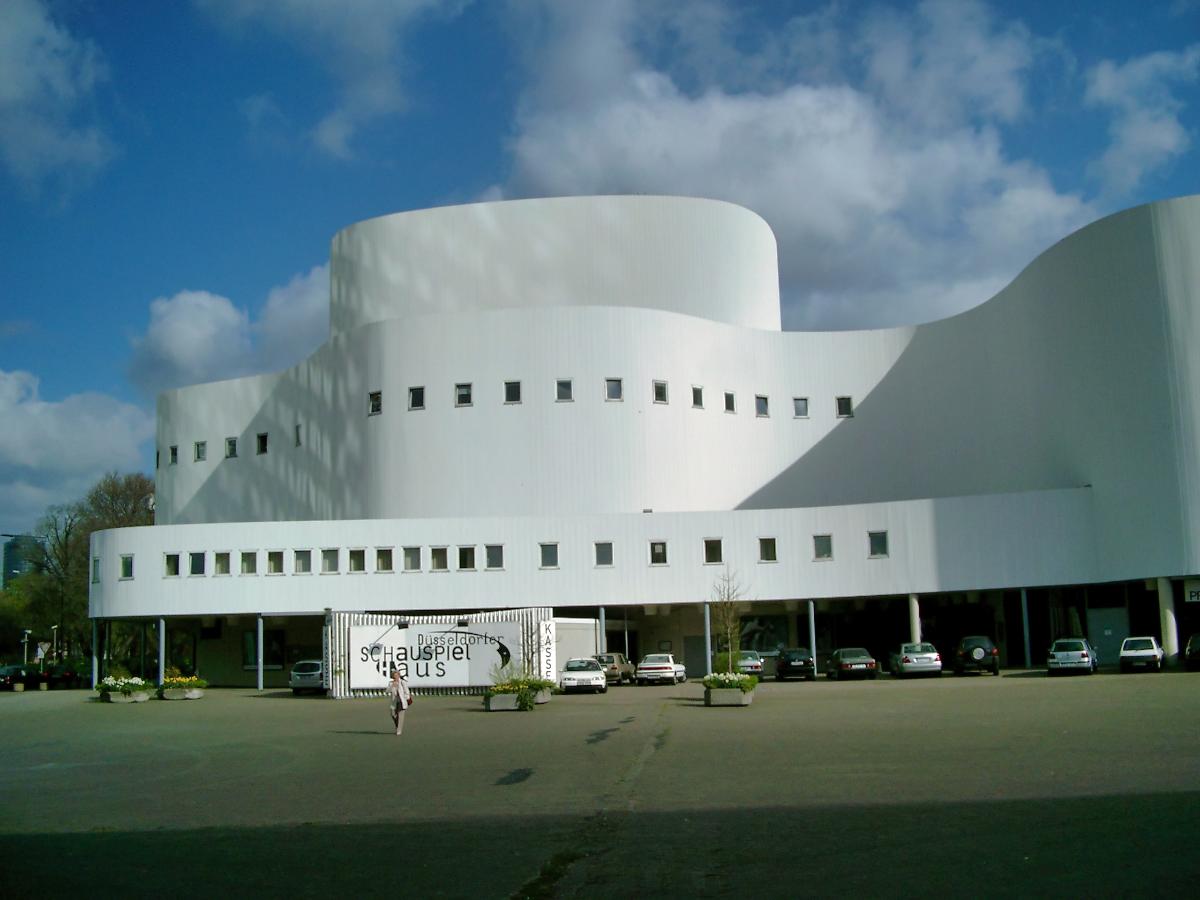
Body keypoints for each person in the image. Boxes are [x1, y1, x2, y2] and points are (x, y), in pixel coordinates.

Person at [387, 668, 413, 736]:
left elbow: (407, 691)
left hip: (402, 701)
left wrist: (406, 698)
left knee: (401, 716)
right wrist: (392, 686)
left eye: (397, 675)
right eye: (394, 675)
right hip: (394, 701)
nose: (395, 676)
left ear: (399, 675)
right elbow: (387, 691)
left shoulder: (402, 682)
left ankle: (399, 730)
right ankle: (397, 725)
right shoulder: (391, 683)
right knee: (393, 714)